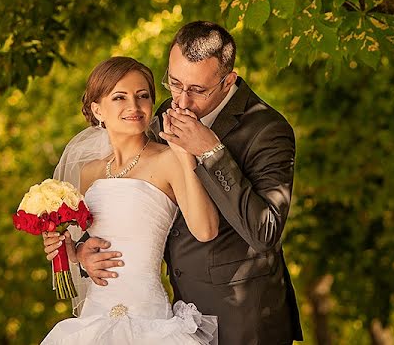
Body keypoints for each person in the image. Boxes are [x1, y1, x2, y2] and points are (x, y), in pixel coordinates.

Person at [45, 21, 303, 345]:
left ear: (227, 81)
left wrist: (210, 151)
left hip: (243, 314)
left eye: (196, 90)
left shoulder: (267, 130)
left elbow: (265, 231)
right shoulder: (166, 111)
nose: (180, 100)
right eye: (173, 83)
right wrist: (82, 251)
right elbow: (133, 204)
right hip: (176, 311)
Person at [41, 56, 219, 344]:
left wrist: (187, 160)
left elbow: (206, 230)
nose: (134, 107)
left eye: (143, 96)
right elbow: (80, 245)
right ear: (97, 109)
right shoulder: (89, 173)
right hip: (94, 316)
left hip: (148, 320)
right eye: (119, 97)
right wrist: (76, 253)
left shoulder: (169, 159)